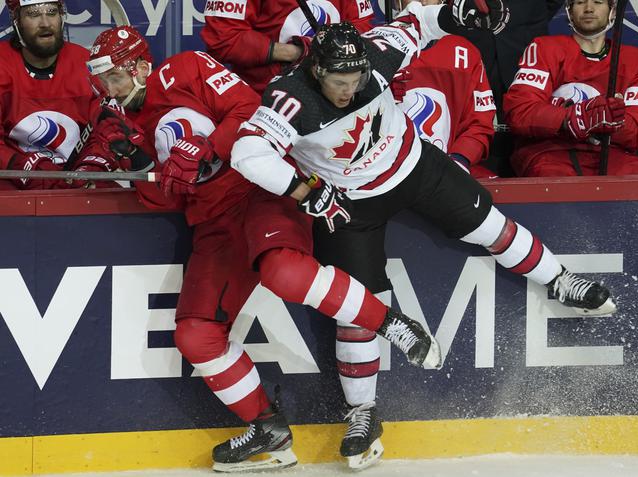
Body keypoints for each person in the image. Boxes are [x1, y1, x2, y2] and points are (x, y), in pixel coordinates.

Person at [229, 4, 616, 470]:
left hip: (415, 167)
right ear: (315, 69)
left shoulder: (378, 52)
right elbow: (247, 154)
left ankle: (559, 279)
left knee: (490, 227)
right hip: (348, 202)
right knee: (359, 306)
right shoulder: (290, 97)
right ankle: (363, 413)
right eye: (338, 83)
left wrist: (460, 10)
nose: (349, 92)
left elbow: (421, 21)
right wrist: (303, 190)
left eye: (356, 82)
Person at [85, 25, 442, 473]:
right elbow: (168, 196)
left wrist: (208, 147)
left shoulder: (186, 68)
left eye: (114, 78)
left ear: (140, 66)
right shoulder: (117, 125)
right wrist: (138, 164)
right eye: (102, 82)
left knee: (285, 272)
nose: (109, 90)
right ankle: (268, 430)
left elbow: (250, 109)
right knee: (195, 335)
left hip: (259, 191)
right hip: (213, 224)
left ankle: (392, 324)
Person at [503, 0, 638, 176]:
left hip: (612, 154)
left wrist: (612, 119)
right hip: (549, 152)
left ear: (613, 11)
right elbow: (520, 111)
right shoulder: (544, 49)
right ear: (569, 12)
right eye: (580, 2)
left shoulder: (634, 60)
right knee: (557, 192)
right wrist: (570, 118)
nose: (588, 8)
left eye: (598, 2)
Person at [0, 0, 119, 190]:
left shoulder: (87, 64)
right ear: (17, 21)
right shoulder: (2, 63)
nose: (46, 23)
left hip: (77, 179)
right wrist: (22, 166)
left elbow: (108, 126)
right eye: (33, 14)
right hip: (12, 181)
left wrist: (93, 162)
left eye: (52, 12)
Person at [201, 0, 375, 94]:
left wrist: (338, 48)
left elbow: (362, 28)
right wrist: (297, 52)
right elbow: (224, 39)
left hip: (333, 94)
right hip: (269, 99)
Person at [393, 33, 497, 178]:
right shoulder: (376, 48)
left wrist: (459, 160)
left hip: (445, 169)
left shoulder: (465, 53)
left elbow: (479, 124)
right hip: (383, 171)